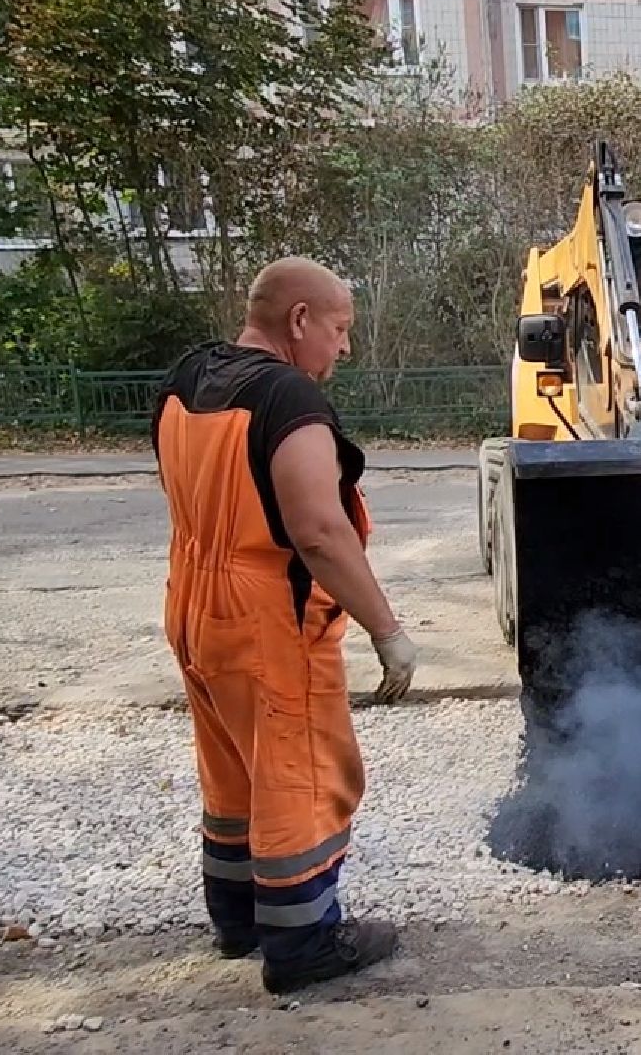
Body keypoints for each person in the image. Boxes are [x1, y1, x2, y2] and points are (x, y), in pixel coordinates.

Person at [151, 257, 417, 995]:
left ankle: (238, 919)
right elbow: (319, 532)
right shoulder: (286, 397)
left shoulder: (190, 378)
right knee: (298, 776)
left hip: (194, 606)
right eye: (340, 330)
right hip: (266, 617)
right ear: (300, 322)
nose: (345, 349)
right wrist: (386, 630)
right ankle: (304, 944)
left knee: (234, 769)